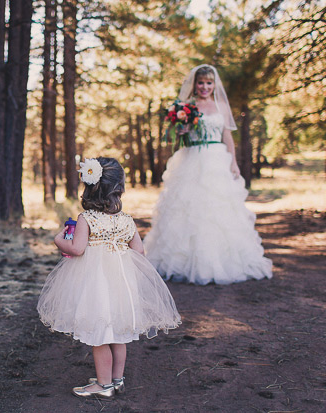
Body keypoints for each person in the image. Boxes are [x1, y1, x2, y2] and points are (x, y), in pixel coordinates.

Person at [37, 157, 181, 399]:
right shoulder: (126, 219)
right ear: (119, 188)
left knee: (100, 335)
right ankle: (117, 379)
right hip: (121, 282)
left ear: (90, 187)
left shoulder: (87, 219)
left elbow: (77, 249)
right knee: (119, 333)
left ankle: (103, 386)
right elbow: (139, 251)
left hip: (97, 283)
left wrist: (60, 240)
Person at [143, 64, 273, 285]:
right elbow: (176, 136)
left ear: (214, 85)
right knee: (188, 208)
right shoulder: (186, 106)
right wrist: (182, 130)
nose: (205, 87)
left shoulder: (221, 105)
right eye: (201, 83)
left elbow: (228, 137)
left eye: (209, 83)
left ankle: (221, 261)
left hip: (216, 159)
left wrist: (233, 161)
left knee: (218, 209)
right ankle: (185, 261)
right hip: (192, 157)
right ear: (195, 84)